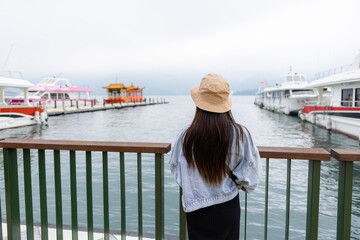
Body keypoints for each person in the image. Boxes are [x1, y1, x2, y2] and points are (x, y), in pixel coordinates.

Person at [169, 73, 262, 240]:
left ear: (199, 103)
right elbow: (251, 179)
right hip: (228, 207)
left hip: (196, 209)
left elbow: (176, 169)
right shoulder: (240, 134)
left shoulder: (186, 136)